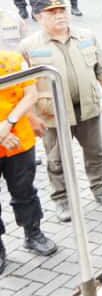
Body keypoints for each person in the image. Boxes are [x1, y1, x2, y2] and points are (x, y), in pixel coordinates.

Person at [20, 0, 102, 221]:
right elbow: (24, 85)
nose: (60, 16)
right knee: (56, 160)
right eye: (52, 12)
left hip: (87, 108)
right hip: (52, 113)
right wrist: (30, 116)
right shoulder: (28, 46)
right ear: (38, 17)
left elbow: (100, 70)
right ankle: (62, 199)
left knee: (96, 152)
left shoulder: (86, 36)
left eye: (62, 10)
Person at [0, 51, 58, 272]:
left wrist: (9, 123)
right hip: (7, 135)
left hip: (20, 140)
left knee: (24, 189)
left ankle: (33, 233)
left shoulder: (14, 59)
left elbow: (30, 94)